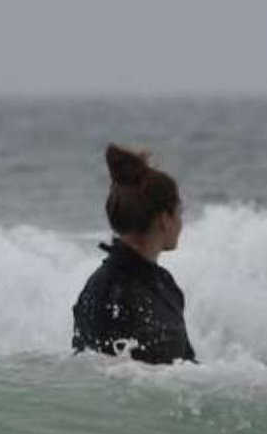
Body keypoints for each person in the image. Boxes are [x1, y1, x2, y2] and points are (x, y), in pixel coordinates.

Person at [71, 144, 196, 364]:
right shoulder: (109, 291)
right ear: (164, 220)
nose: (181, 222)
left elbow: (188, 368)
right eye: (179, 212)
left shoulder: (164, 285)